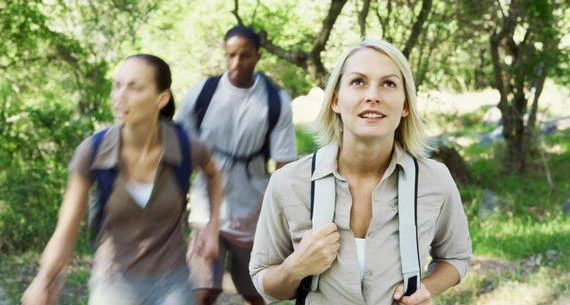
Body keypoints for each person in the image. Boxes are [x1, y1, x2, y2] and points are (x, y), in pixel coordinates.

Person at [249, 39, 472, 305]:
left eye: (388, 83)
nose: (373, 96)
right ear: (335, 100)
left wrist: (425, 289)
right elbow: (264, 280)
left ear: (405, 105)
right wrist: (295, 267)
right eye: (358, 82)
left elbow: (455, 257)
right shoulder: (288, 183)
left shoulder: (435, 180)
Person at [21, 54, 222, 305]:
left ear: (162, 98)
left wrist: (212, 227)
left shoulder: (185, 146)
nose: (119, 97)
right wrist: (43, 279)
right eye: (117, 86)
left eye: (134, 87)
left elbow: (214, 173)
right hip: (113, 282)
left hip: (172, 282)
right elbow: (66, 231)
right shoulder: (93, 151)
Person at [176, 24, 297, 305]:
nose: (236, 63)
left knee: (256, 295)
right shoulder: (202, 94)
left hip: (251, 212)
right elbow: (179, 151)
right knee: (203, 291)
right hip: (206, 209)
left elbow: (284, 165)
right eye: (230, 55)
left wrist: (273, 215)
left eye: (244, 56)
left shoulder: (275, 101)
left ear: (257, 57)